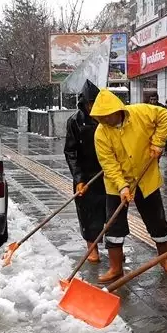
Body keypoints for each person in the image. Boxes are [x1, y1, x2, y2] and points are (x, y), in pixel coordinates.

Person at [89, 88, 167, 283]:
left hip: (146, 178)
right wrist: (122, 186)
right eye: (99, 118)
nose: (103, 121)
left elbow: (165, 115)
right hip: (116, 184)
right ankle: (115, 267)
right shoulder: (101, 134)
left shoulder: (140, 113)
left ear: (116, 110)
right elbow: (108, 164)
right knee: (114, 225)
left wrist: (157, 142)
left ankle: (165, 258)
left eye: (105, 116)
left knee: (156, 220)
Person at [64, 80, 106, 263]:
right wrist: (79, 178)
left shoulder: (106, 117)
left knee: (110, 212)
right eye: (89, 103)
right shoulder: (75, 121)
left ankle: (114, 248)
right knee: (88, 213)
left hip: (107, 172)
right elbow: (71, 152)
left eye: (94, 102)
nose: (91, 107)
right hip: (86, 175)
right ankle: (92, 247)